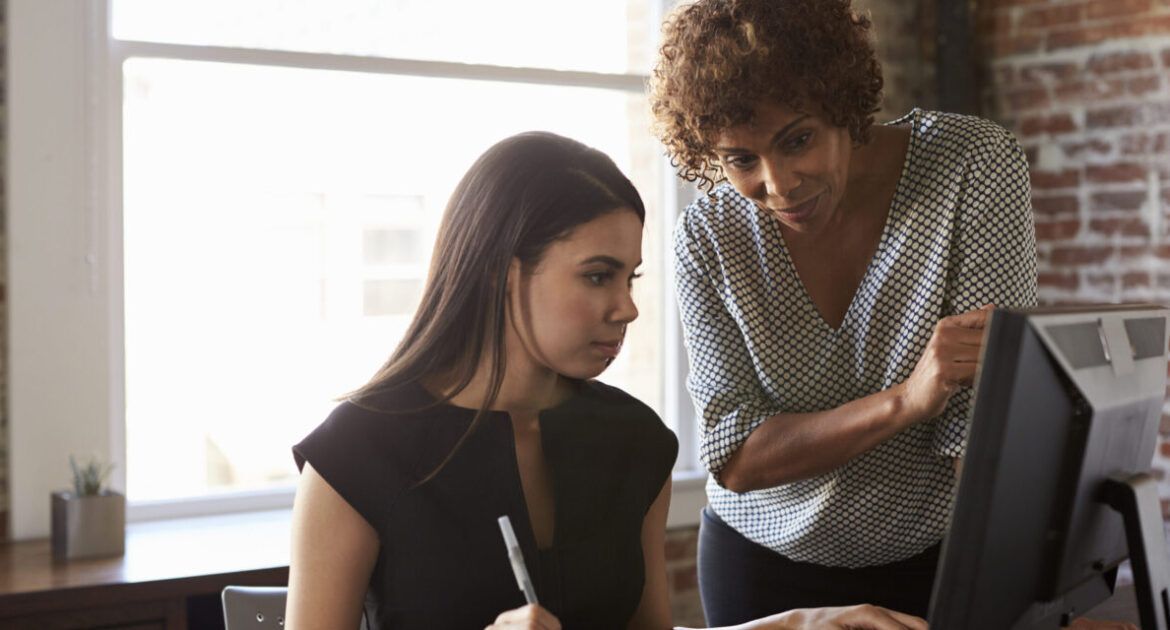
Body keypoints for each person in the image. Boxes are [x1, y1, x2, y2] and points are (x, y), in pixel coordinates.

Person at [284, 131, 930, 630]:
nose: (626, 308)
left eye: (631, 278)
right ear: (500, 273)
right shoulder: (356, 456)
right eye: (598, 275)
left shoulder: (634, 440)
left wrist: (796, 623)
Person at [649, 0, 1041, 624]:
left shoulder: (971, 166)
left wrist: (1000, 595)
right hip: (758, 566)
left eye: (797, 140)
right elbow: (736, 457)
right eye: (740, 159)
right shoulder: (708, 233)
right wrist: (907, 400)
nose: (778, 185)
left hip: (932, 560)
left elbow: (981, 427)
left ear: (844, 104)